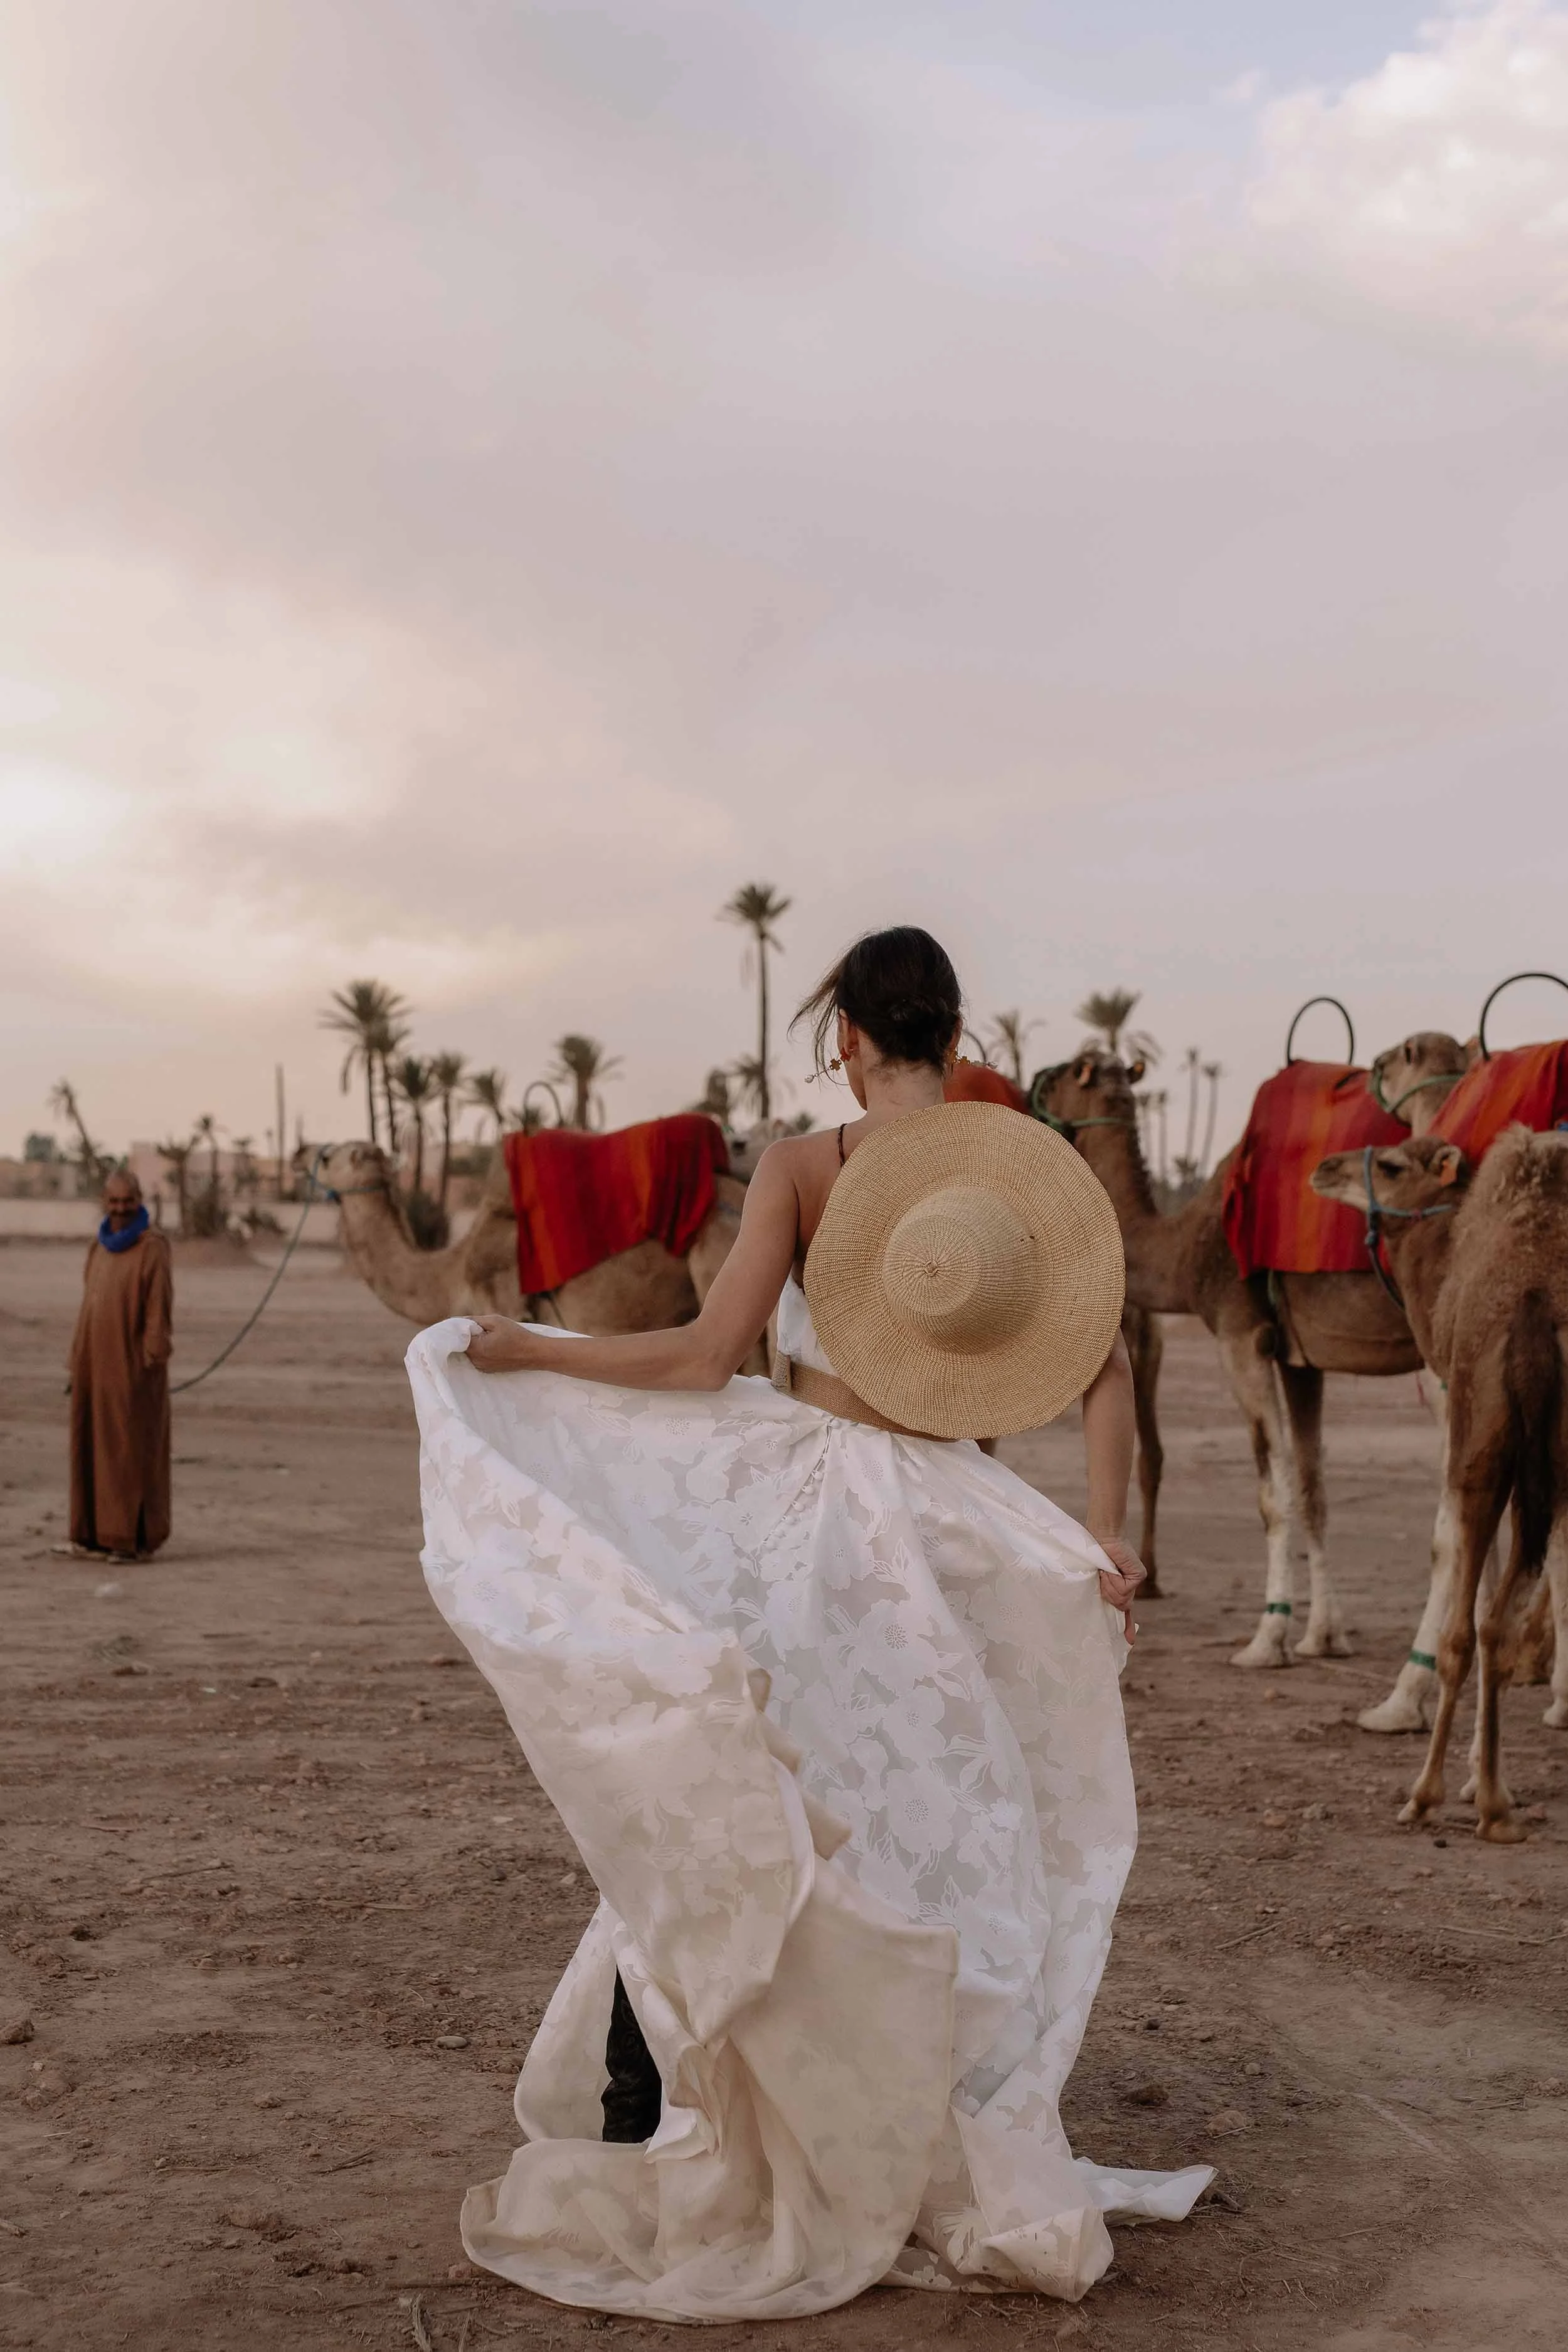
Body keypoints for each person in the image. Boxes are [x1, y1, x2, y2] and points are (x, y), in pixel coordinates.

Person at [405, 925, 1210, 2323]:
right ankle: (913, 2098)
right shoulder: (1011, 1169)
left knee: (755, 1785)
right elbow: (1101, 1376)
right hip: (955, 1517)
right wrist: (1100, 1533)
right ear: (955, 1039)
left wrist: (531, 1348)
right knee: (939, 1825)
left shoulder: (800, 1166)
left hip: (819, 1515)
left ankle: (660, 2088)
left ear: (842, 1033)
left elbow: (706, 1358)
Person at [65, 1169, 173, 1560]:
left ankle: (129, 1539)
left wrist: (152, 1357)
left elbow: (159, 1309)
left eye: (128, 1201)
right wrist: (76, 1359)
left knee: (127, 1448)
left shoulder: (152, 1247)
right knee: (90, 1445)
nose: (121, 1209)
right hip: (93, 1363)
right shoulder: (99, 1247)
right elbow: (88, 1305)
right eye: (114, 1202)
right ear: (104, 1202)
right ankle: (90, 1535)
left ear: (140, 1200)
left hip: (131, 1365)